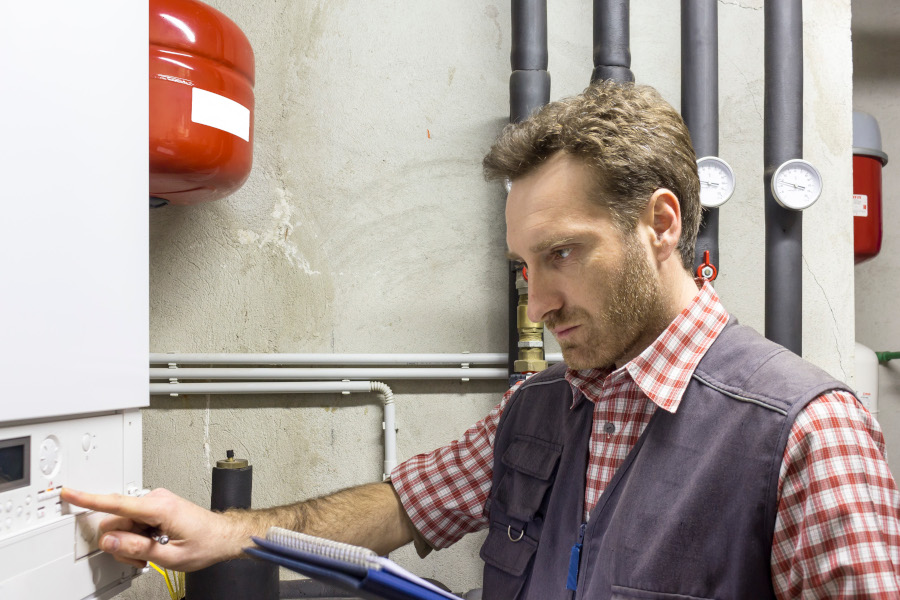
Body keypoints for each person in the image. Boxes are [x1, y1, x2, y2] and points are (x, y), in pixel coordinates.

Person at [63, 80, 900, 599]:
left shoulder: (805, 434)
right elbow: (397, 507)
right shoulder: (540, 408)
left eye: (563, 254)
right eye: (523, 266)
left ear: (661, 224)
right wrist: (223, 531)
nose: (537, 303)